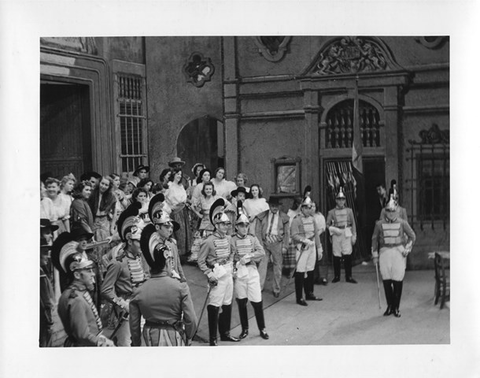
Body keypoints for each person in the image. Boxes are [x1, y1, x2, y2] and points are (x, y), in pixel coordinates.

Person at [130, 218, 197, 346]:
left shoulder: (138, 291)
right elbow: (191, 319)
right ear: (167, 261)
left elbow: (134, 326)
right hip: (174, 336)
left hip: (148, 338)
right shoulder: (181, 288)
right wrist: (189, 336)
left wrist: (137, 344)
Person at [52, 236, 115, 347]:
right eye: (88, 271)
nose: (93, 274)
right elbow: (83, 335)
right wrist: (103, 343)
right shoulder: (76, 300)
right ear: (77, 275)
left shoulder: (75, 293)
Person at [101, 203, 147, 346]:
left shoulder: (140, 258)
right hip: (124, 312)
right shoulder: (118, 263)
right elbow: (106, 289)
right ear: (129, 240)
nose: (141, 245)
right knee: (125, 346)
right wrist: (121, 303)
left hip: (141, 307)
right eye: (139, 242)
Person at [197, 198, 240, 346]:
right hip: (216, 275)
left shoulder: (229, 239)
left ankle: (225, 333)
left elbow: (234, 252)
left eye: (227, 224)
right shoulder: (208, 241)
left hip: (228, 273)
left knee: (227, 303)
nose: (226, 226)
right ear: (216, 224)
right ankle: (213, 338)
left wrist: (233, 266)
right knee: (215, 304)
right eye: (222, 224)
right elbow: (201, 261)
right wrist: (209, 273)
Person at [372, 193, 416, 318]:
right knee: (386, 280)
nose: (391, 213)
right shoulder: (379, 224)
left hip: (398, 252)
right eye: (388, 211)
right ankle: (389, 306)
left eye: (393, 211)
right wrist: (374, 254)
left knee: (397, 280)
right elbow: (374, 239)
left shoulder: (402, 223)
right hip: (385, 252)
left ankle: (396, 307)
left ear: (397, 211)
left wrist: (407, 248)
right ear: (385, 211)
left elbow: (412, 236)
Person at [231, 202, 269, 340]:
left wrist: (249, 256)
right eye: (241, 225)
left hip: (251, 271)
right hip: (239, 273)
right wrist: (235, 263)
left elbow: (262, 252)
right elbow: (229, 255)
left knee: (257, 301)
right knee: (241, 302)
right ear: (236, 227)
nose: (245, 228)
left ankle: (262, 328)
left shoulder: (252, 238)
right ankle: (245, 329)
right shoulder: (232, 240)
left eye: (246, 225)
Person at [290, 188, 323, 306]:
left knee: (310, 269)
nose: (310, 210)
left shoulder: (313, 219)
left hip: (312, 246)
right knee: (300, 271)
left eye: (311, 207)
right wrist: (304, 240)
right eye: (307, 207)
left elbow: (316, 234)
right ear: (302, 208)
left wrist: (319, 248)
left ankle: (309, 293)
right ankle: (299, 297)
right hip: (302, 247)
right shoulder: (296, 220)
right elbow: (293, 235)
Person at [255, 196, 290, 296]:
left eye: (276, 206)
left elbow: (287, 233)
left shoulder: (284, 217)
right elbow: (257, 231)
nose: (275, 208)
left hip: (277, 243)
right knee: (262, 265)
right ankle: (259, 287)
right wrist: (259, 244)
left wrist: (285, 246)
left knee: (277, 266)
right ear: (269, 205)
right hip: (265, 242)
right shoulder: (262, 216)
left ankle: (276, 289)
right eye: (273, 206)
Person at [147, 193, 186, 281]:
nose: (170, 230)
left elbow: (178, 264)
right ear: (157, 227)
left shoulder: (172, 243)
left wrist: (182, 277)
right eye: (166, 227)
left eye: (171, 227)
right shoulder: (151, 247)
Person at [326, 187, 358, 284]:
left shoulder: (349, 211)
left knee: (347, 254)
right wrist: (332, 229)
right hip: (336, 232)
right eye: (339, 199)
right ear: (336, 200)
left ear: (345, 200)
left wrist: (354, 235)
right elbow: (327, 224)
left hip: (346, 231)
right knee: (336, 254)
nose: (341, 201)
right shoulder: (331, 212)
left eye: (343, 199)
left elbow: (353, 223)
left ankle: (349, 276)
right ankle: (337, 276)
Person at [89, 176, 117, 274]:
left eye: (106, 185)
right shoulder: (93, 194)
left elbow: (114, 214)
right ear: (99, 183)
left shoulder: (111, 197)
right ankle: (97, 273)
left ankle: (106, 272)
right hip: (94, 221)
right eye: (102, 183)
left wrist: (112, 228)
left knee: (105, 247)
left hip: (105, 222)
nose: (103, 186)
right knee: (95, 248)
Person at [189, 181, 222, 263]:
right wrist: (198, 214)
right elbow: (192, 206)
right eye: (206, 189)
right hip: (204, 221)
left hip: (213, 221)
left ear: (213, 189)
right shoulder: (201, 198)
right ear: (204, 190)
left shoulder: (216, 198)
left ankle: (212, 258)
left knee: (213, 239)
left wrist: (219, 213)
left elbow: (226, 204)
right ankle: (201, 258)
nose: (208, 190)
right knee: (202, 239)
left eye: (210, 189)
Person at [165, 168, 191, 259]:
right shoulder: (169, 185)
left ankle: (184, 253)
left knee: (185, 231)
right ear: (173, 175)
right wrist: (170, 207)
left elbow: (184, 198)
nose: (179, 176)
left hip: (183, 210)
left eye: (180, 174)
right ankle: (177, 254)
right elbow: (164, 197)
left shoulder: (181, 186)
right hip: (175, 211)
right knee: (178, 232)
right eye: (177, 174)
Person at [40, 241, 55, 347]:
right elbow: (46, 301)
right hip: (43, 320)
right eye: (44, 253)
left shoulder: (42, 271)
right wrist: (49, 321)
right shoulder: (40, 274)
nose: (47, 256)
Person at [312, 202, 328, 285]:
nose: (312, 208)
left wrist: (316, 235)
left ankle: (323, 277)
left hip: (319, 237)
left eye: (314, 206)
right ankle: (314, 277)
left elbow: (322, 228)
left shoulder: (319, 216)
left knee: (321, 256)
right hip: (309, 239)